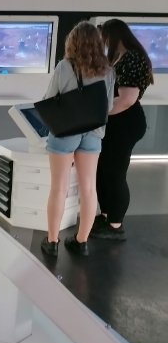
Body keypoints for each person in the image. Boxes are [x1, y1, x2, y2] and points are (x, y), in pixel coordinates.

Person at [40, 22, 115, 257]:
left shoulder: (65, 66)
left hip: (65, 131)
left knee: (59, 188)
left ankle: (52, 242)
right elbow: (108, 107)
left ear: (72, 42)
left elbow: (50, 98)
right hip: (93, 132)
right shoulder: (108, 70)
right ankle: (81, 242)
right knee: (89, 189)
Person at [92, 19, 153, 241]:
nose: (104, 43)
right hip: (116, 124)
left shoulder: (133, 58)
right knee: (103, 171)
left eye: (105, 38)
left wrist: (97, 114)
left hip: (125, 124)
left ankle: (115, 226)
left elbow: (127, 100)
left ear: (114, 35)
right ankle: (106, 216)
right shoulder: (123, 57)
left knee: (115, 173)